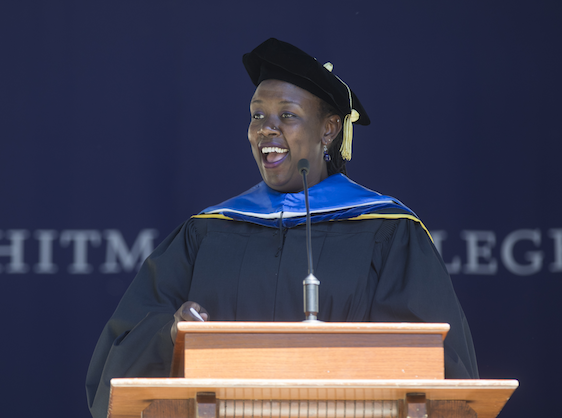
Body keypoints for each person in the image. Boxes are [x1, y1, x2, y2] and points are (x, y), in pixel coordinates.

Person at [85, 38, 478, 418]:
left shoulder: (388, 231)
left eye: (287, 115)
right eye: (257, 115)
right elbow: (119, 357)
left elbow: (434, 363)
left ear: (329, 130)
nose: (266, 129)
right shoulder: (207, 233)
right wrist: (171, 335)